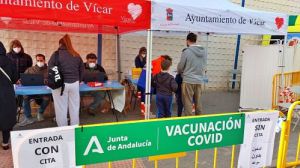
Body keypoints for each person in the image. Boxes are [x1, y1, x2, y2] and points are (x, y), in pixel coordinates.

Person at [48, 34, 84, 126]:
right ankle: (75, 128)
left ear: (60, 44)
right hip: (74, 84)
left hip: (60, 85)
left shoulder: (56, 54)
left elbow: (50, 69)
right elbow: (82, 70)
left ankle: (63, 131)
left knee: (61, 109)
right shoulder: (76, 54)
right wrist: (79, 80)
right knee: (75, 108)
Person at [177, 33, 207, 116]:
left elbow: (180, 67)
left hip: (188, 80)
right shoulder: (203, 51)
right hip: (199, 80)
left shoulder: (186, 51)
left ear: (187, 40)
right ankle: (199, 120)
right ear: (195, 40)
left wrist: (179, 71)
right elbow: (204, 65)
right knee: (198, 102)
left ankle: (189, 122)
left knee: (188, 102)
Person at [19, 54, 50, 126]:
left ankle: (40, 112)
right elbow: (23, 78)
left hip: (43, 92)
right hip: (31, 92)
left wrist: (47, 81)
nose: (39, 62)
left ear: (44, 60)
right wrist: (20, 80)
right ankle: (28, 117)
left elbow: (53, 80)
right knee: (25, 97)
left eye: (41, 60)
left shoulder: (49, 70)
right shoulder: (30, 69)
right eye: (38, 60)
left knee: (47, 98)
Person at [0, 41, 18, 150]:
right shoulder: (9, 60)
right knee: (6, 117)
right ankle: (5, 143)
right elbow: (15, 77)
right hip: (7, 93)